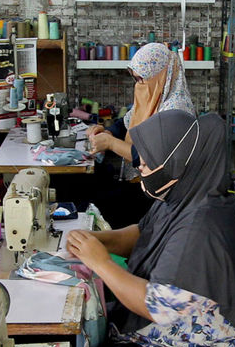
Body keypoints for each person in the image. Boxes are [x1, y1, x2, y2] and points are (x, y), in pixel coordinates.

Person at [65, 110, 235, 347]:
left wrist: (101, 263)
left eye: (147, 161)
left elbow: (157, 305)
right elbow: (142, 233)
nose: (140, 166)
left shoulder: (201, 229)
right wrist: (100, 240)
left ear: (177, 163)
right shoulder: (187, 195)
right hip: (179, 329)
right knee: (78, 335)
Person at [82, 43, 195, 228]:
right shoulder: (154, 95)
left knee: (102, 205)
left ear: (161, 76)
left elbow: (151, 158)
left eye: (142, 79)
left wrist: (110, 143)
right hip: (143, 185)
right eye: (135, 79)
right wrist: (108, 131)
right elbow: (126, 122)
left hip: (164, 197)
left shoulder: (176, 111)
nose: (138, 85)